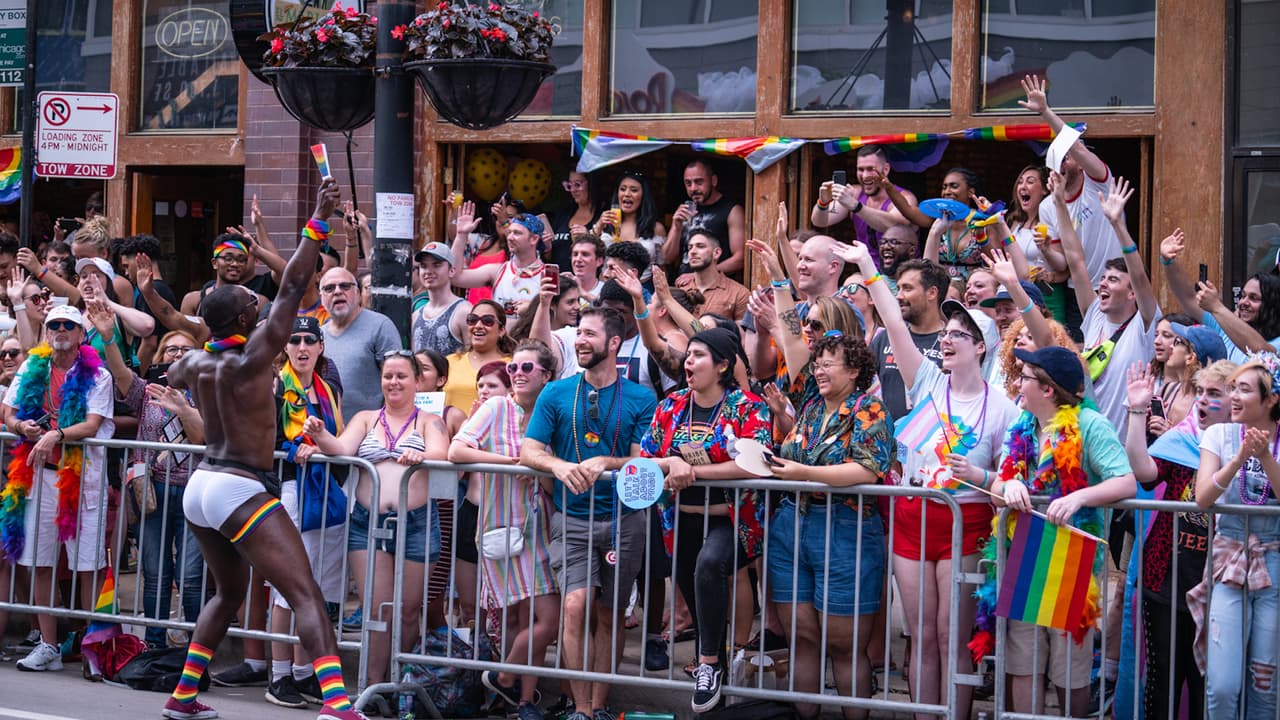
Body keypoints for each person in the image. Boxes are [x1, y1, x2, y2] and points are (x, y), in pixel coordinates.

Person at [158, 179, 363, 720]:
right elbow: (295, 284)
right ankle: (338, 705)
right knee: (305, 595)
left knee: (227, 593)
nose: (261, 298)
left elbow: (172, 362)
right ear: (247, 320)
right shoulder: (252, 361)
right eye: (254, 299)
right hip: (238, 487)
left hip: (201, 488)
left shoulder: (195, 362)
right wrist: (318, 219)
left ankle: (182, 698)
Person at [840, 238, 1013, 720]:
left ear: (981, 346)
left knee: (951, 635)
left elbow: (1012, 476)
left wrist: (979, 473)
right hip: (914, 514)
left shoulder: (1003, 408)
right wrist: (868, 266)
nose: (948, 338)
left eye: (961, 333)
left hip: (967, 521)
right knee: (920, 634)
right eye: (947, 331)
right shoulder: (926, 380)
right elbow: (894, 322)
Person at [977, 346, 1137, 717]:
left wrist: (1081, 496)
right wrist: (1010, 485)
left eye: (1026, 377)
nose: (1017, 384)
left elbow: (1126, 482)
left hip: (1072, 558)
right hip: (1024, 553)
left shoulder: (1090, 425)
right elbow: (1002, 480)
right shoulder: (1022, 424)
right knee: (1023, 663)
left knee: (1070, 671)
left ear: (1048, 389)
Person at [519, 307, 658, 720]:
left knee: (609, 612)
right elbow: (530, 450)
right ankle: (579, 710)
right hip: (572, 517)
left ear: (614, 343)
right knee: (576, 606)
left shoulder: (641, 396)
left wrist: (605, 463)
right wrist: (558, 466)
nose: (580, 340)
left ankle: (598, 707)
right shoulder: (556, 392)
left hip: (623, 519)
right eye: (578, 332)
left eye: (589, 334)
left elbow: (639, 459)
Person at [638, 327, 772, 712]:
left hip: (729, 519)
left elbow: (753, 461)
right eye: (688, 356)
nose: (688, 363)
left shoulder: (747, 407)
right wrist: (672, 462)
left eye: (697, 355)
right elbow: (648, 456)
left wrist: (694, 472)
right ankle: (711, 666)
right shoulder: (671, 405)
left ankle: (710, 663)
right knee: (697, 598)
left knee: (710, 565)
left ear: (723, 365)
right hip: (679, 520)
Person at [764, 333, 894, 720]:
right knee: (801, 639)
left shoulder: (870, 410)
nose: (818, 370)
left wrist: (804, 472)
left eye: (827, 363)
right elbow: (794, 449)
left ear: (853, 371)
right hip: (791, 525)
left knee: (843, 643)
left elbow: (869, 469)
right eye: (816, 364)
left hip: (845, 528)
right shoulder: (809, 408)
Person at [305, 351, 448, 686]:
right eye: (388, 376)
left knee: (409, 611)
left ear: (416, 381)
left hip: (416, 523)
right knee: (378, 610)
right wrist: (319, 434)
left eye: (401, 376)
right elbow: (340, 449)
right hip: (368, 525)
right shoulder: (367, 418)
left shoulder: (428, 420)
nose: (394, 382)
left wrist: (422, 454)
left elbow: (442, 452)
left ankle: (398, 683)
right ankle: (372, 686)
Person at [449, 340, 562, 720]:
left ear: (546, 376)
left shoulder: (553, 413)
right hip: (500, 526)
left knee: (546, 619)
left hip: (542, 527)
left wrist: (541, 468)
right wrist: (513, 462)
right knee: (514, 619)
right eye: (514, 368)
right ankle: (513, 699)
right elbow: (457, 451)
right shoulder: (497, 407)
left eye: (527, 368)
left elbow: (550, 483)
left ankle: (507, 680)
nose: (517, 374)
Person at [5, 305, 115, 673]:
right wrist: (22, 427)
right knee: (38, 561)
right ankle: (49, 645)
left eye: (69, 325)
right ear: (46, 332)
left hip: (83, 479)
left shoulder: (97, 374)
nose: (61, 330)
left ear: (82, 335)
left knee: (88, 565)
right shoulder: (31, 367)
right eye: (55, 325)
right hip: (40, 477)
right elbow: (7, 411)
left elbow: (93, 423)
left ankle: (91, 648)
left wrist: (56, 434)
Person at [89, 302, 205, 651]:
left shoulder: (209, 392)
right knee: (154, 571)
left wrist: (184, 409)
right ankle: (155, 643)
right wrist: (109, 337)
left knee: (191, 574)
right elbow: (122, 375)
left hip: (194, 492)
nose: (178, 354)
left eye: (186, 350)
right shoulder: (148, 390)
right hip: (152, 490)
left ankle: (195, 647)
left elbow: (202, 438)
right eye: (172, 349)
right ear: (161, 356)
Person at [1125, 359, 1236, 720]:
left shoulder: (1246, 453)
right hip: (1165, 580)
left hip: (1221, 587)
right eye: (1200, 392)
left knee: (1207, 685)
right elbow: (1144, 471)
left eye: (1214, 393)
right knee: (1162, 682)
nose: (1203, 400)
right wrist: (1137, 411)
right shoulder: (1182, 438)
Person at [265, 316, 348, 709]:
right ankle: (279, 676)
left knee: (320, 588)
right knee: (290, 586)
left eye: (308, 341)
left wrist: (320, 446)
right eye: (294, 341)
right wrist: (293, 445)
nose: (301, 347)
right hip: (293, 490)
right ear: (286, 348)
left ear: (320, 348)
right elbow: (266, 436)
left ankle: (303, 673)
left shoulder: (328, 388)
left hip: (328, 489)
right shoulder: (277, 384)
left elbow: (340, 434)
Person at [1191, 354, 1280, 718]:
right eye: (1232, 390)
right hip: (1228, 556)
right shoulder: (1219, 434)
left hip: (1274, 559)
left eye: (1243, 389)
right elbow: (1202, 499)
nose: (1234, 398)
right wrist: (1240, 457)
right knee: (1223, 683)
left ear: (1271, 398)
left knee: (1265, 682)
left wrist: (1266, 458)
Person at [1059, 175, 1160, 430]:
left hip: (1124, 448)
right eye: (1103, 278)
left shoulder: (1145, 324)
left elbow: (1138, 275)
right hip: (1086, 441)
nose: (1102, 284)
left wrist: (1117, 224)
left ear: (1131, 293)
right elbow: (1075, 261)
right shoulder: (1094, 314)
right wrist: (1060, 203)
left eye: (1113, 280)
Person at [1021, 76, 1123, 299]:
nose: (1061, 163)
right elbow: (1062, 263)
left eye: (1067, 158)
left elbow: (1075, 145)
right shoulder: (1048, 205)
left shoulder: (1098, 182)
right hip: (1079, 291)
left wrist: (1045, 112)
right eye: (1057, 159)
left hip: (1118, 286)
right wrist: (1046, 249)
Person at [1160, 226, 1280, 363]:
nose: (1243, 303)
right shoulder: (1226, 330)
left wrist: (1217, 307)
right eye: (1242, 296)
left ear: (1272, 305)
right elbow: (1188, 297)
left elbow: (1264, 353)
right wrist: (1168, 261)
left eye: (1253, 298)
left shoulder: (1277, 343)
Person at [812, 145, 919, 268]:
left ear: (886, 169)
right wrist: (823, 202)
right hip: (867, 273)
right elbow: (820, 221)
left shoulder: (905, 198)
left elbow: (894, 226)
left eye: (870, 169)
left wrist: (855, 206)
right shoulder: (855, 193)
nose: (864, 176)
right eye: (860, 169)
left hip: (903, 274)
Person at [319, 267, 403, 422]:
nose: (337, 292)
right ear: (322, 297)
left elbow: (398, 381)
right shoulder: (317, 337)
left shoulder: (380, 326)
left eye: (345, 286)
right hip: (329, 433)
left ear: (358, 293)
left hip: (372, 434)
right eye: (329, 288)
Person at [452, 211, 548, 328]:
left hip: (532, 345)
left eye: (517, 233)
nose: (510, 237)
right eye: (509, 232)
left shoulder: (547, 277)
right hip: (500, 344)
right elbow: (455, 277)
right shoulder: (497, 271)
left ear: (534, 239)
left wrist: (534, 308)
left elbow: (557, 319)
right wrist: (461, 235)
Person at [663, 160, 746, 278]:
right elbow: (666, 258)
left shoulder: (732, 210)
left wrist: (701, 275)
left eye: (699, 182)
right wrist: (676, 227)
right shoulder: (686, 210)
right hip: (684, 287)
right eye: (688, 183)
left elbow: (740, 259)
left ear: (713, 181)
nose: (693, 188)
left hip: (716, 288)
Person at [443, 300, 515, 413]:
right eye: (472, 320)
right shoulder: (449, 362)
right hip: (453, 430)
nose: (478, 325)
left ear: (501, 330)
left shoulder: (512, 366)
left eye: (488, 321)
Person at [594, 171, 668, 280]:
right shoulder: (604, 223)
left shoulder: (656, 228)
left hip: (643, 288)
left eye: (634, 190)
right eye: (623, 189)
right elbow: (589, 255)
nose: (627, 194)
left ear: (643, 196)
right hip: (606, 287)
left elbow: (662, 267)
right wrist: (598, 227)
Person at [178, 233, 271, 316]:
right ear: (214, 263)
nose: (235, 264)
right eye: (228, 258)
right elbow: (185, 334)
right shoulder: (193, 301)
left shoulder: (258, 302)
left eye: (241, 260)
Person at [411, 242, 472, 357]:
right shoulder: (416, 316)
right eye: (424, 266)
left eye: (437, 265)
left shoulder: (464, 312)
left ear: (452, 271)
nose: (429, 271)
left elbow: (473, 359)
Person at [676, 231, 749, 322]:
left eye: (700, 246)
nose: (692, 252)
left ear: (716, 253)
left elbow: (744, 334)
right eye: (690, 248)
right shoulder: (680, 289)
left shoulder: (738, 293)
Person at [550, 172, 602, 270]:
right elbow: (552, 255)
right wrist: (547, 247)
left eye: (577, 185)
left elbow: (605, 254)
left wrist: (589, 237)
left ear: (591, 184)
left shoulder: (602, 217)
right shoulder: (563, 214)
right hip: (558, 280)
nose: (573, 190)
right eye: (569, 185)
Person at [570, 234, 606, 305]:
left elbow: (610, 312)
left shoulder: (605, 290)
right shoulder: (563, 289)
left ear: (599, 261)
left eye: (585, 254)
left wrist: (583, 293)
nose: (578, 259)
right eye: (575, 254)